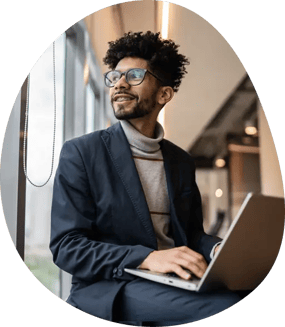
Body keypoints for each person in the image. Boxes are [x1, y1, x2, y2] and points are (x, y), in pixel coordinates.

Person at [50, 31, 240, 325]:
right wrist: (147, 258)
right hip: (112, 286)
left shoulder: (181, 161)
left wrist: (218, 249)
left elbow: (190, 237)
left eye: (135, 75)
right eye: (114, 77)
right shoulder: (82, 153)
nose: (120, 83)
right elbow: (67, 246)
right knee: (225, 306)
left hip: (172, 281)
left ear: (164, 94)